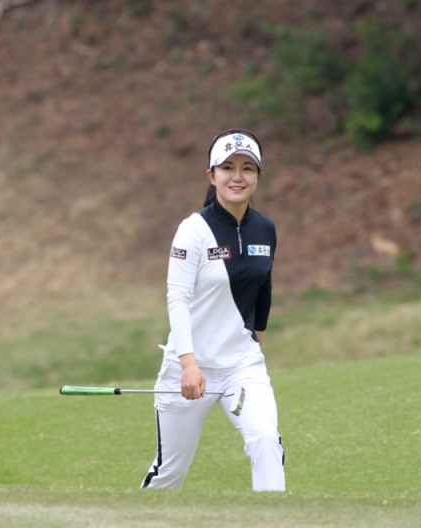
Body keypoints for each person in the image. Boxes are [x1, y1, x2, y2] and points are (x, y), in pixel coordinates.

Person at [140, 129, 285, 491]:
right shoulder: (193, 230)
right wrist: (189, 364)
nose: (238, 177)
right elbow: (177, 298)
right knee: (170, 472)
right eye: (228, 168)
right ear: (212, 176)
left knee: (266, 440)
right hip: (189, 370)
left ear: (258, 177)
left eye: (248, 168)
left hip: (241, 366)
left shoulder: (265, 229)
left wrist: (257, 350)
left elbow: (263, 289)